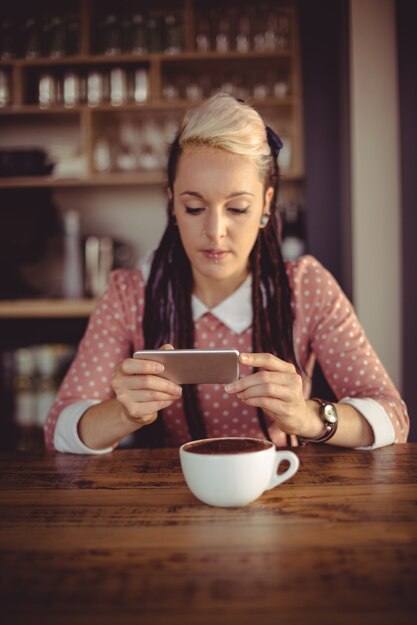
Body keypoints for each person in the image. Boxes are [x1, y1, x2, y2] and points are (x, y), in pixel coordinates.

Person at [44, 93, 409, 454]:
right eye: (194, 207)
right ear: (172, 204)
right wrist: (123, 413)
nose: (216, 230)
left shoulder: (305, 286)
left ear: (265, 205)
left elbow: (393, 418)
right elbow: (59, 427)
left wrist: (307, 417)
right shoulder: (131, 293)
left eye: (237, 208)